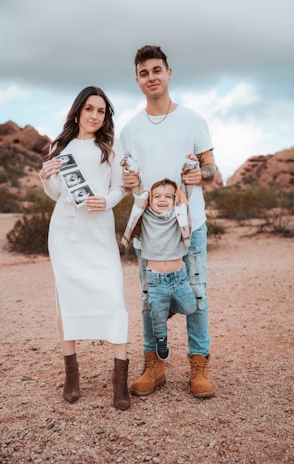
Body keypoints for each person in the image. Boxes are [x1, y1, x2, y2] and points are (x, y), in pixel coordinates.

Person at [120, 45, 216, 398]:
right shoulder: (130, 129)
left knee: (197, 296)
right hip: (150, 231)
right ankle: (154, 365)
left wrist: (200, 175)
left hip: (191, 226)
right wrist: (128, 182)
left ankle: (199, 366)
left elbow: (210, 169)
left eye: (156, 70)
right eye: (144, 73)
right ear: (137, 80)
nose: (151, 78)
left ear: (169, 72)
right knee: (150, 299)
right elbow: (127, 176)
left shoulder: (193, 119)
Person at [40, 86, 130, 410]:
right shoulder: (59, 146)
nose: (94, 115)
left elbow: (120, 188)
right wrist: (45, 176)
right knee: (66, 299)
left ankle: (120, 382)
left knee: (114, 296)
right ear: (78, 111)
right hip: (65, 232)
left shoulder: (110, 146)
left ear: (105, 117)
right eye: (89, 109)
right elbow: (55, 193)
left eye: (101, 111)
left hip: (99, 230)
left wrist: (106, 201)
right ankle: (71, 375)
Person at [122, 177, 197, 361]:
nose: (162, 200)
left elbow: (185, 193)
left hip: (179, 276)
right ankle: (162, 340)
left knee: (190, 307)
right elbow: (139, 193)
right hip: (154, 279)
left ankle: (167, 309)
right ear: (149, 200)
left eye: (168, 197)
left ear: (174, 200)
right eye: (157, 196)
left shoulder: (177, 215)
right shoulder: (145, 215)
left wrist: (190, 164)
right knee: (156, 317)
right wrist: (131, 169)